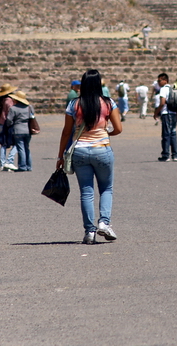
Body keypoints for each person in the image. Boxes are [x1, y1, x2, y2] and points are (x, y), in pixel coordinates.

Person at [58, 69, 122, 244]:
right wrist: (106, 132)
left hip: (79, 150)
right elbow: (118, 128)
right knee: (106, 188)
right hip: (102, 149)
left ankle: (89, 232)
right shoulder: (108, 103)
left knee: (86, 192)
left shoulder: (74, 104)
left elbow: (66, 132)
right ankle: (104, 222)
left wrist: (60, 156)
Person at [7, 90, 35, 172]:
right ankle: (29, 166)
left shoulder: (13, 109)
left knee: (21, 148)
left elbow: (9, 120)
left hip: (18, 130)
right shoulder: (29, 107)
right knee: (27, 148)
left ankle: (22, 166)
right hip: (28, 130)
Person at [155, 72, 177, 161]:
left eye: (159, 80)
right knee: (173, 134)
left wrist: (156, 113)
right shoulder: (173, 89)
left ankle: (166, 155)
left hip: (166, 113)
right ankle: (175, 155)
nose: (158, 82)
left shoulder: (163, 89)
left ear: (165, 80)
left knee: (166, 135)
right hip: (173, 114)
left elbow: (162, 103)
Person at [0, 83, 18, 172]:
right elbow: (11, 113)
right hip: (8, 124)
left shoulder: (0, 101)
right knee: (16, 143)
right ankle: (10, 161)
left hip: (1, 123)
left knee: (3, 144)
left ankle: (2, 163)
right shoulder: (9, 101)